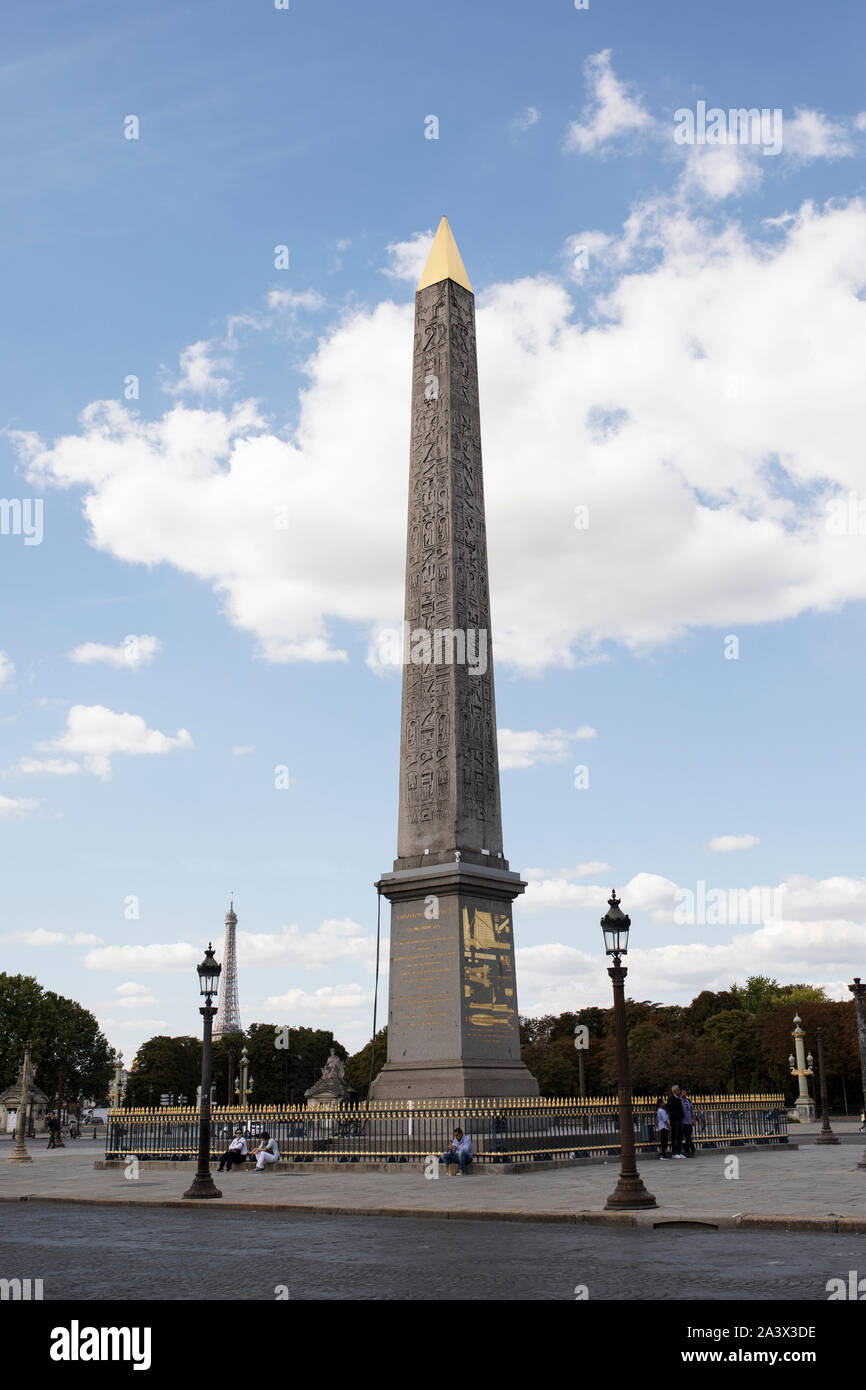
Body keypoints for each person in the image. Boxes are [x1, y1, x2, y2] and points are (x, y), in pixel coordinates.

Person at [667, 1085, 685, 1157]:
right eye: (678, 1090)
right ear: (674, 1091)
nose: (679, 1091)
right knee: (675, 1136)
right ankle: (674, 1152)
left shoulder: (678, 1098)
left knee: (680, 1136)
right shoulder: (671, 1098)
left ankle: (679, 1151)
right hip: (674, 1120)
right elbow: (669, 1108)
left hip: (679, 1119)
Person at [681, 1089, 695, 1156]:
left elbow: (692, 1111)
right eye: (683, 1093)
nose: (684, 1094)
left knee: (688, 1137)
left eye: (685, 1093)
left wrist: (693, 1120)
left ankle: (691, 1149)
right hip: (684, 1122)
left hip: (689, 1122)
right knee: (687, 1137)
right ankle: (689, 1151)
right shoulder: (680, 1101)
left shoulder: (688, 1101)